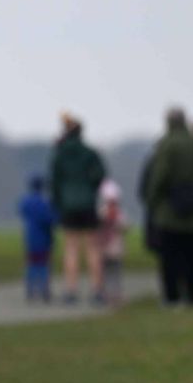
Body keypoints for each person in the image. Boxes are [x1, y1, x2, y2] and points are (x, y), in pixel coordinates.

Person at [144, 107, 193, 305]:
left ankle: (172, 296)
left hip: (169, 209)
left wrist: (152, 199)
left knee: (170, 258)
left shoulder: (167, 144)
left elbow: (160, 175)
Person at [48, 113, 106, 304]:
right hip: (88, 203)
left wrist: (58, 202)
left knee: (71, 247)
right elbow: (100, 175)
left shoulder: (60, 154)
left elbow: (54, 182)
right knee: (93, 247)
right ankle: (97, 290)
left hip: (68, 204)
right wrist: (90, 190)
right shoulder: (90, 153)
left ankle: (71, 290)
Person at [19, 175, 56, 301]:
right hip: (44, 238)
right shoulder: (44, 203)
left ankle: (30, 289)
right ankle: (44, 289)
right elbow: (50, 219)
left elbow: (22, 212)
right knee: (44, 265)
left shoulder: (26, 202)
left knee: (31, 264)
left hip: (30, 237)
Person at [97, 176, 128, 307]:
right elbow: (125, 227)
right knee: (115, 273)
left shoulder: (102, 212)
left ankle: (106, 294)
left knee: (106, 273)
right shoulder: (119, 213)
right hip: (116, 248)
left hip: (104, 248)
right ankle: (115, 294)